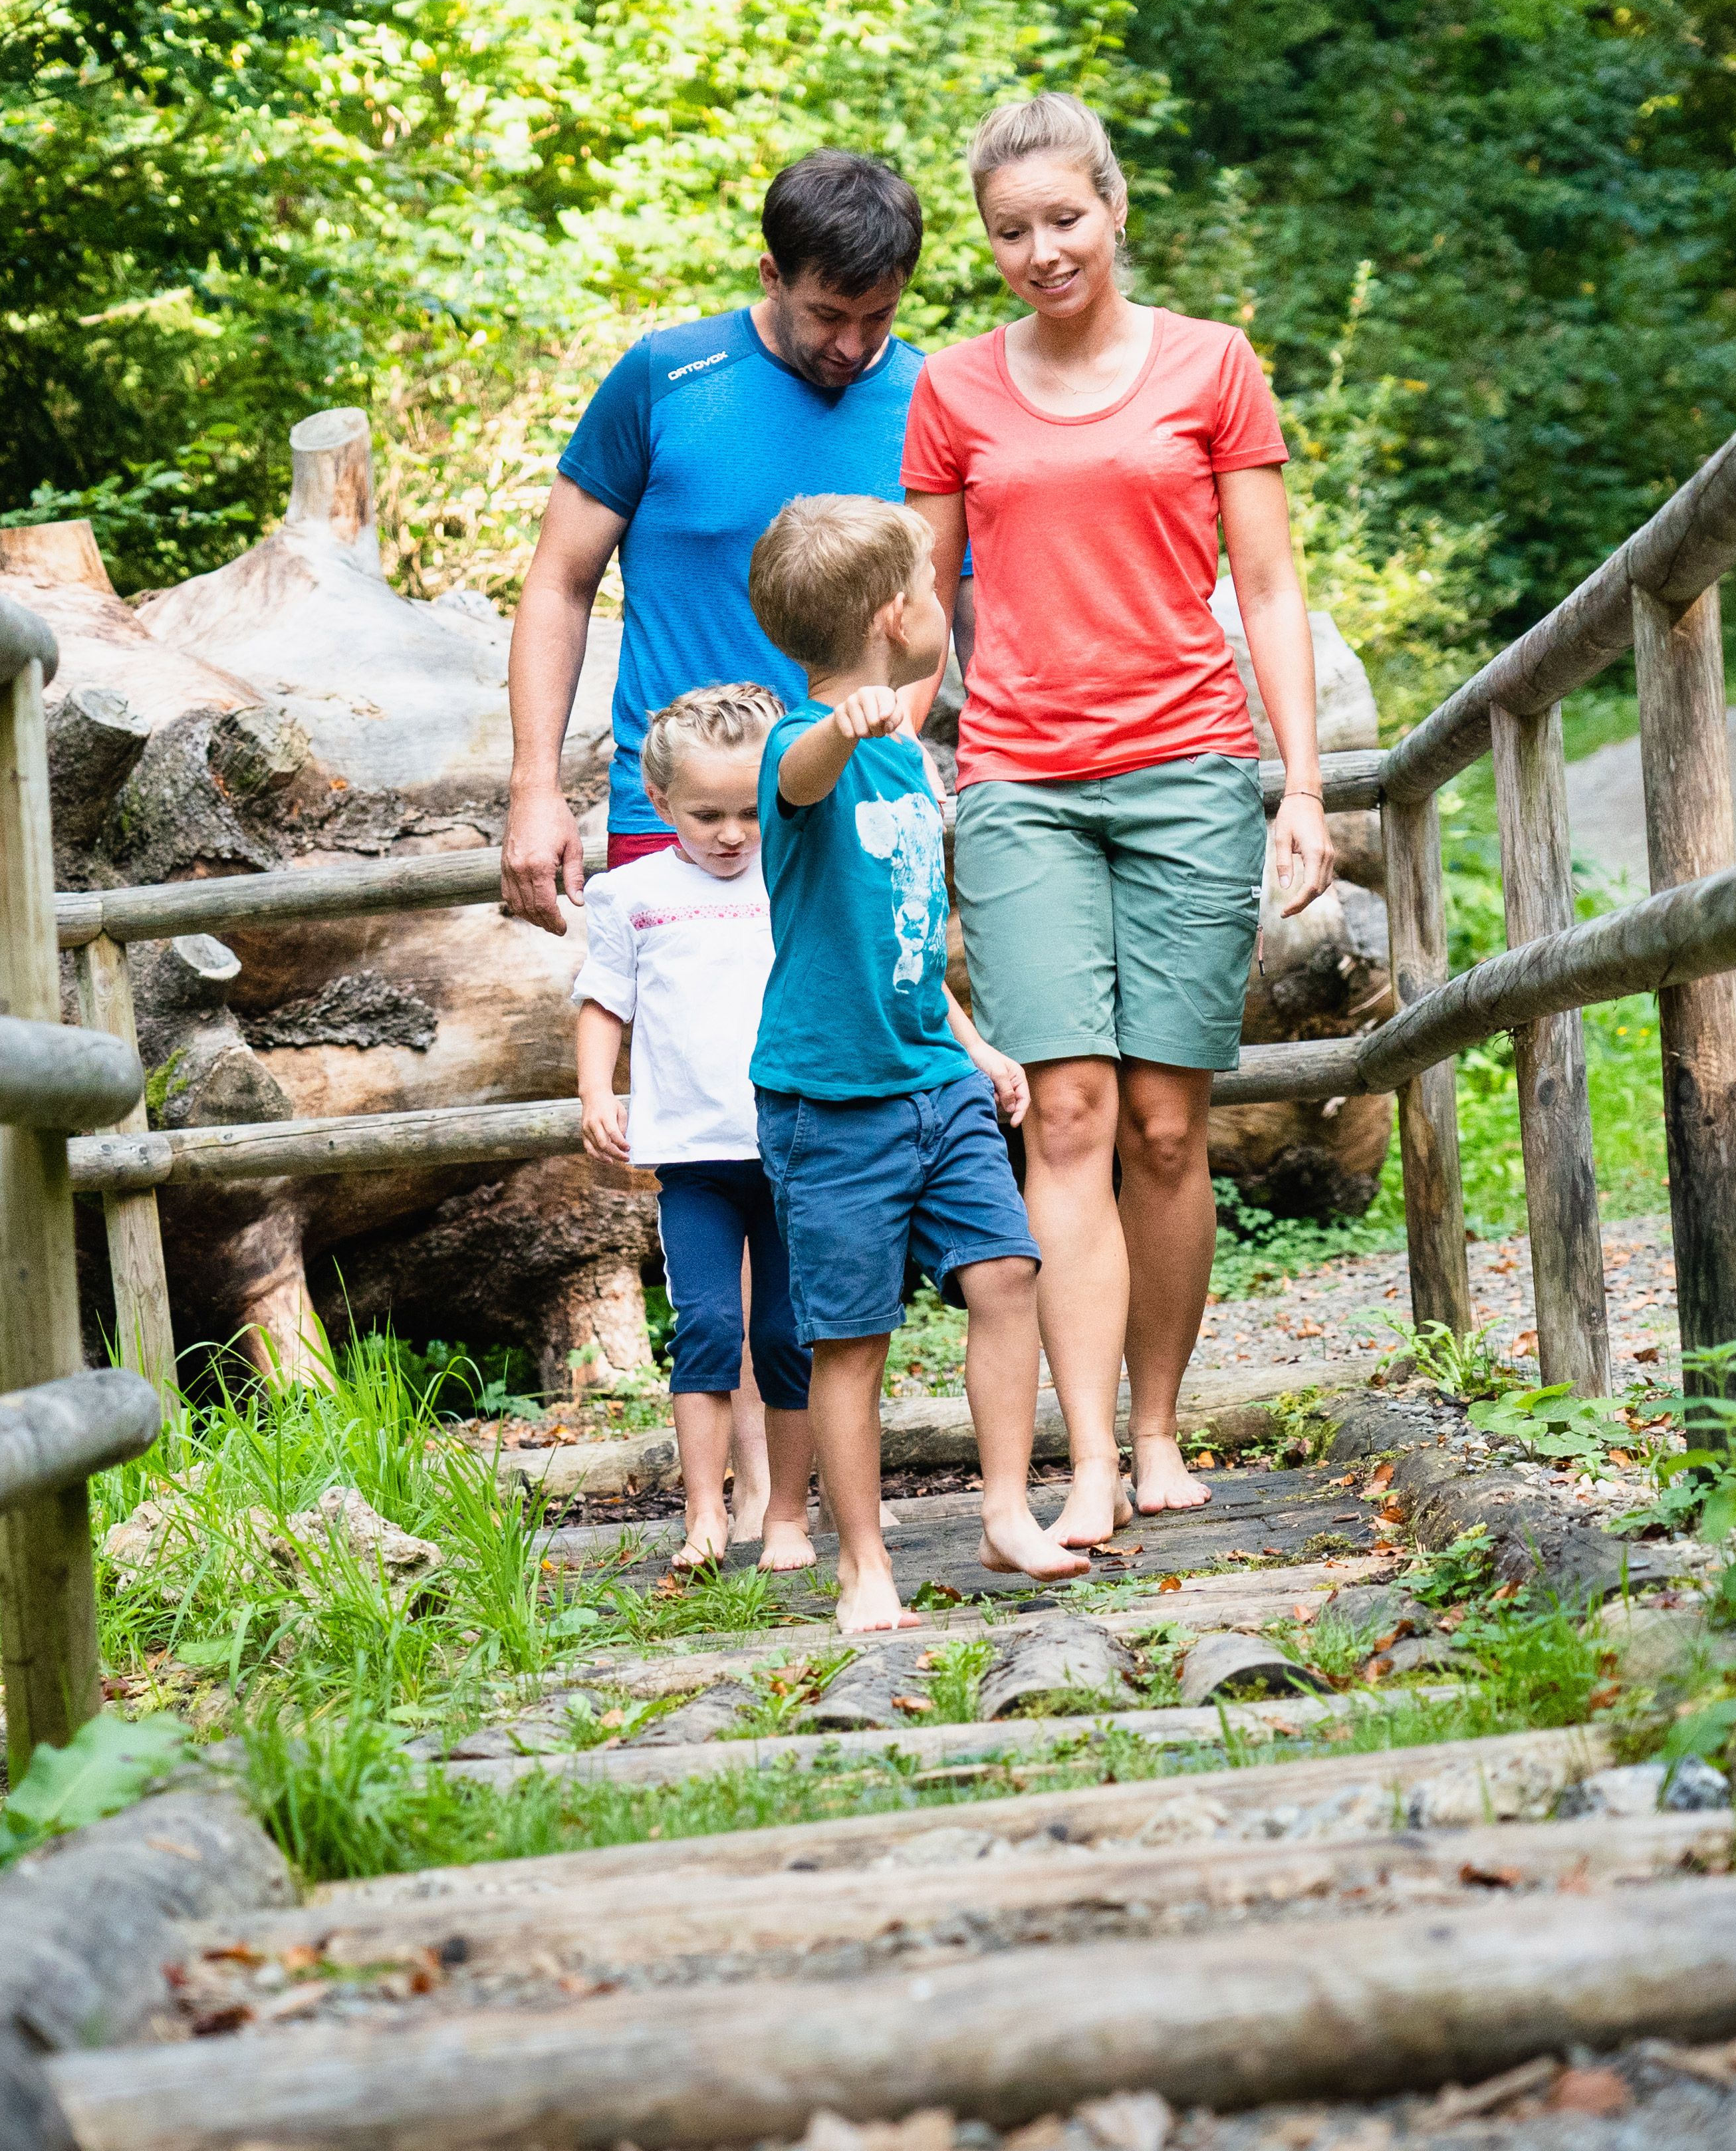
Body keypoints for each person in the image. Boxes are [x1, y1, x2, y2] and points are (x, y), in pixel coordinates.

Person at [904, 93, 1334, 1549]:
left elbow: (1266, 586)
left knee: (1165, 1124)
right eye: (1010, 231)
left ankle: (1156, 1429)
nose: (1040, 251)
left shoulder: (1212, 366)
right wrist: (884, 737)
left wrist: (1304, 783)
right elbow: (917, 608)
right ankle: (1084, 1457)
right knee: (1066, 1112)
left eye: (1063, 220)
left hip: (1188, 769)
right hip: (1018, 781)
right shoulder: (953, 392)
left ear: (1115, 208)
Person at [744, 494, 1088, 1632]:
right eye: (934, 590)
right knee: (850, 1337)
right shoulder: (816, 754)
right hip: (829, 1102)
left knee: (1007, 1276)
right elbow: (793, 774)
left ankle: (1003, 1510)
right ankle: (863, 1564)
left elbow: (900, 934)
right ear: (900, 614)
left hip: (932, 1077)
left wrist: (973, 1041)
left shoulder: (905, 767)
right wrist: (842, 725)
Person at [502, 148, 935, 920]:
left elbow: (934, 607)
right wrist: (536, 790)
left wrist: (894, 754)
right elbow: (559, 583)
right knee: (675, 1042)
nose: (852, 344)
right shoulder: (662, 377)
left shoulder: (930, 399)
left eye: (880, 316)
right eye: (828, 314)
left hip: (852, 813)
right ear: (772, 275)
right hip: (679, 817)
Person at [571, 685, 818, 1575]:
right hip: (695, 1160)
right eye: (707, 813)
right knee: (709, 1325)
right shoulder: (632, 894)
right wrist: (596, 1090)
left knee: (790, 1334)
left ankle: (786, 1514)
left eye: (751, 810)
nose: (731, 833)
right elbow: (605, 1000)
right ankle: (705, 1514)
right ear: (661, 798)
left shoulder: (795, 876)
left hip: (796, 1146)